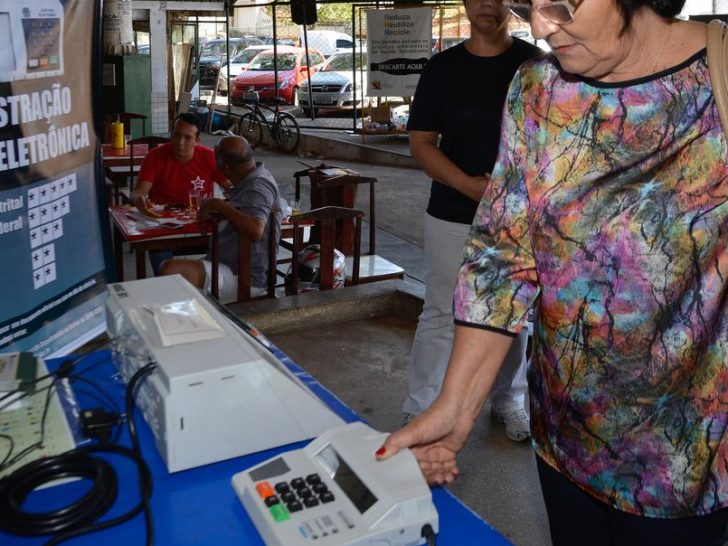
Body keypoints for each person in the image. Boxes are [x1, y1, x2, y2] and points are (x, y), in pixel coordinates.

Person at [378, 2, 728, 544]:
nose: (539, 27)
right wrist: (457, 406)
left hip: (685, 453)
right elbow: (503, 253)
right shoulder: (539, 88)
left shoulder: (719, 78)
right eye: (526, 5)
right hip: (566, 437)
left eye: (561, 5)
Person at [403, 0, 542, 441]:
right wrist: (465, 184)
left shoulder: (535, 66)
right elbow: (421, 142)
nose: (488, 4)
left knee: (513, 313)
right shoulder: (442, 69)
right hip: (451, 212)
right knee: (441, 311)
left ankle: (509, 401)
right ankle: (421, 408)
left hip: (516, 218)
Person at [159, 136, 281, 302]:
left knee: (171, 269)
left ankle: (183, 323)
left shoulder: (258, 186)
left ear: (225, 167)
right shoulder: (248, 181)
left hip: (245, 276)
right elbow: (243, 211)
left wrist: (219, 205)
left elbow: (256, 229)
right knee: (177, 275)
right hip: (226, 263)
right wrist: (220, 210)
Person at [130, 112, 229, 274]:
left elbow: (230, 188)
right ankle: (168, 290)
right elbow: (138, 193)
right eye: (176, 135)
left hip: (201, 225)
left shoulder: (209, 156)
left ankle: (208, 285)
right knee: (158, 253)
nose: (180, 142)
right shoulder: (155, 156)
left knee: (231, 241)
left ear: (197, 141)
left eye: (187, 138)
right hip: (165, 228)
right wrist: (139, 200)